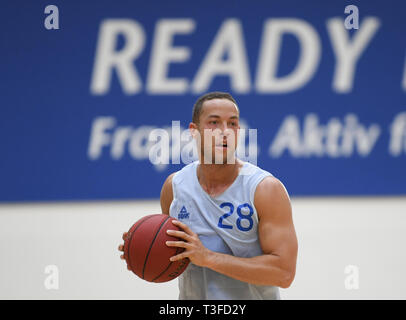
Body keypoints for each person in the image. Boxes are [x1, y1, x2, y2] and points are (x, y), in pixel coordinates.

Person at [119, 91, 298, 300]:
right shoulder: (174, 187)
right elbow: (175, 255)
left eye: (232, 124)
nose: (225, 132)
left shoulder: (265, 189)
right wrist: (141, 250)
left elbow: (284, 273)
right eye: (214, 123)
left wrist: (208, 258)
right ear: (194, 132)